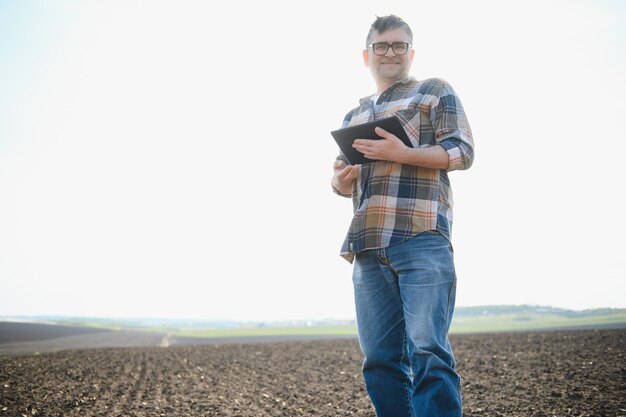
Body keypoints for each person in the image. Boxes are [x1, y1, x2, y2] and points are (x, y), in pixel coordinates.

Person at [330, 15, 474, 417]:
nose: (390, 53)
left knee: (428, 349)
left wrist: (403, 154)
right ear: (366, 55)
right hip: (368, 246)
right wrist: (342, 180)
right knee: (379, 359)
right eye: (381, 46)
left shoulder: (434, 92)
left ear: (411, 52)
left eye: (399, 45)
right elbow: (341, 183)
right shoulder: (354, 116)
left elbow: (462, 151)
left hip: (421, 238)